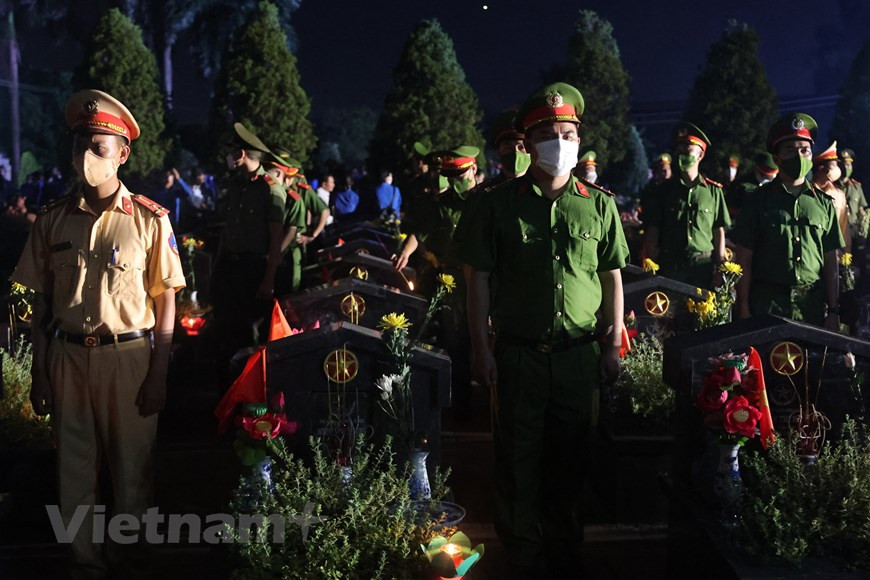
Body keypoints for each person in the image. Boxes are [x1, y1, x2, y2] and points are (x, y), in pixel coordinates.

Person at [12, 89, 185, 578]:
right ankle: (85, 563)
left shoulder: (149, 221)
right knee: (73, 469)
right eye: (79, 146)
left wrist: (159, 373)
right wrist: (39, 372)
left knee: (132, 469)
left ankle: (129, 559)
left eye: (98, 147)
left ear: (122, 154)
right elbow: (40, 304)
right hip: (67, 357)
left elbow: (165, 301)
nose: (86, 156)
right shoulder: (52, 220)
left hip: (128, 359)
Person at [459, 82, 627, 575]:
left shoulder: (599, 204)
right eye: (549, 135)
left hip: (579, 356)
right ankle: (522, 555)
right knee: (517, 460)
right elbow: (477, 280)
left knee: (573, 460)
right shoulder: (495, 204)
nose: (561, 143)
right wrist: (480, 348)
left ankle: (565, 552)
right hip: (518, 355)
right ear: (528, 143)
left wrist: (614, 343)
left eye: (569, 134)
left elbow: (612, 277)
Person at [732, 113, 844, 329]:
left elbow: (831, 260)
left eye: (805, 150)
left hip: (810, 306)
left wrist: (833, 310)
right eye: (790, 150)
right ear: (776, 158)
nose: (799, 156)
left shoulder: (824, 204)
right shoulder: (757, 201)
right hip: (768, 305)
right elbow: (744, 257)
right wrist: (743, 308)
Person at [211, 123, 287, 381]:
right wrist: (217, 268)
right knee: (224, 328)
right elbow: (228, 230)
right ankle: (225, 387)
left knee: (249, 334)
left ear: (241, 154)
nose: (228, 156)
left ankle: (248, 389)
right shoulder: (236, 185)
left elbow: (275, 239)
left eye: (231, 150)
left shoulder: (270, 188)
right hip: (229, 268)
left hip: (252, 270)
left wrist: (268, 279)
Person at [642, 122, 730, 287]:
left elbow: (718, 230)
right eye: (679, 150)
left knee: (703, 304)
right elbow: (653, 230)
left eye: (687, 150)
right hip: (671, 266)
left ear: (700, 155)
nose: (681, 155)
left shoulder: (713, 192)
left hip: (702, 268)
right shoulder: (664, 191)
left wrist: (720, 265)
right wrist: (651, 264)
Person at [264, 153, 306, 295]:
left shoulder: (293, 199)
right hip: (265, 252)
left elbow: (291, 231)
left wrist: (275, 254)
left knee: (285, 293)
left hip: (285, 254)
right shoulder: (266, 192)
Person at [811, 142, 851, 251]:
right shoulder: (806, 193)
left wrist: (846, 253)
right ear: (821, 168)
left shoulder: (839, 195)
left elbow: (844, 229)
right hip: (812, 252)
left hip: (834, 253)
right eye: (833, 165)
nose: (837, 169)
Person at [726, 152, 778, 220]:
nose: (769, 177)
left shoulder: (778, 185)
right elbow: (728, 208)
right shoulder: (740, 184)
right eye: (765, 175)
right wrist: (749, 211)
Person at [837, 148, 868, 241]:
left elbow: (861, 209)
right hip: (838, 232)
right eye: (844, 165)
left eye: (849, 165)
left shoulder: (856, 187)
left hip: (854, 231)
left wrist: (864, 221)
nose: (847, 167)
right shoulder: (831, 187)